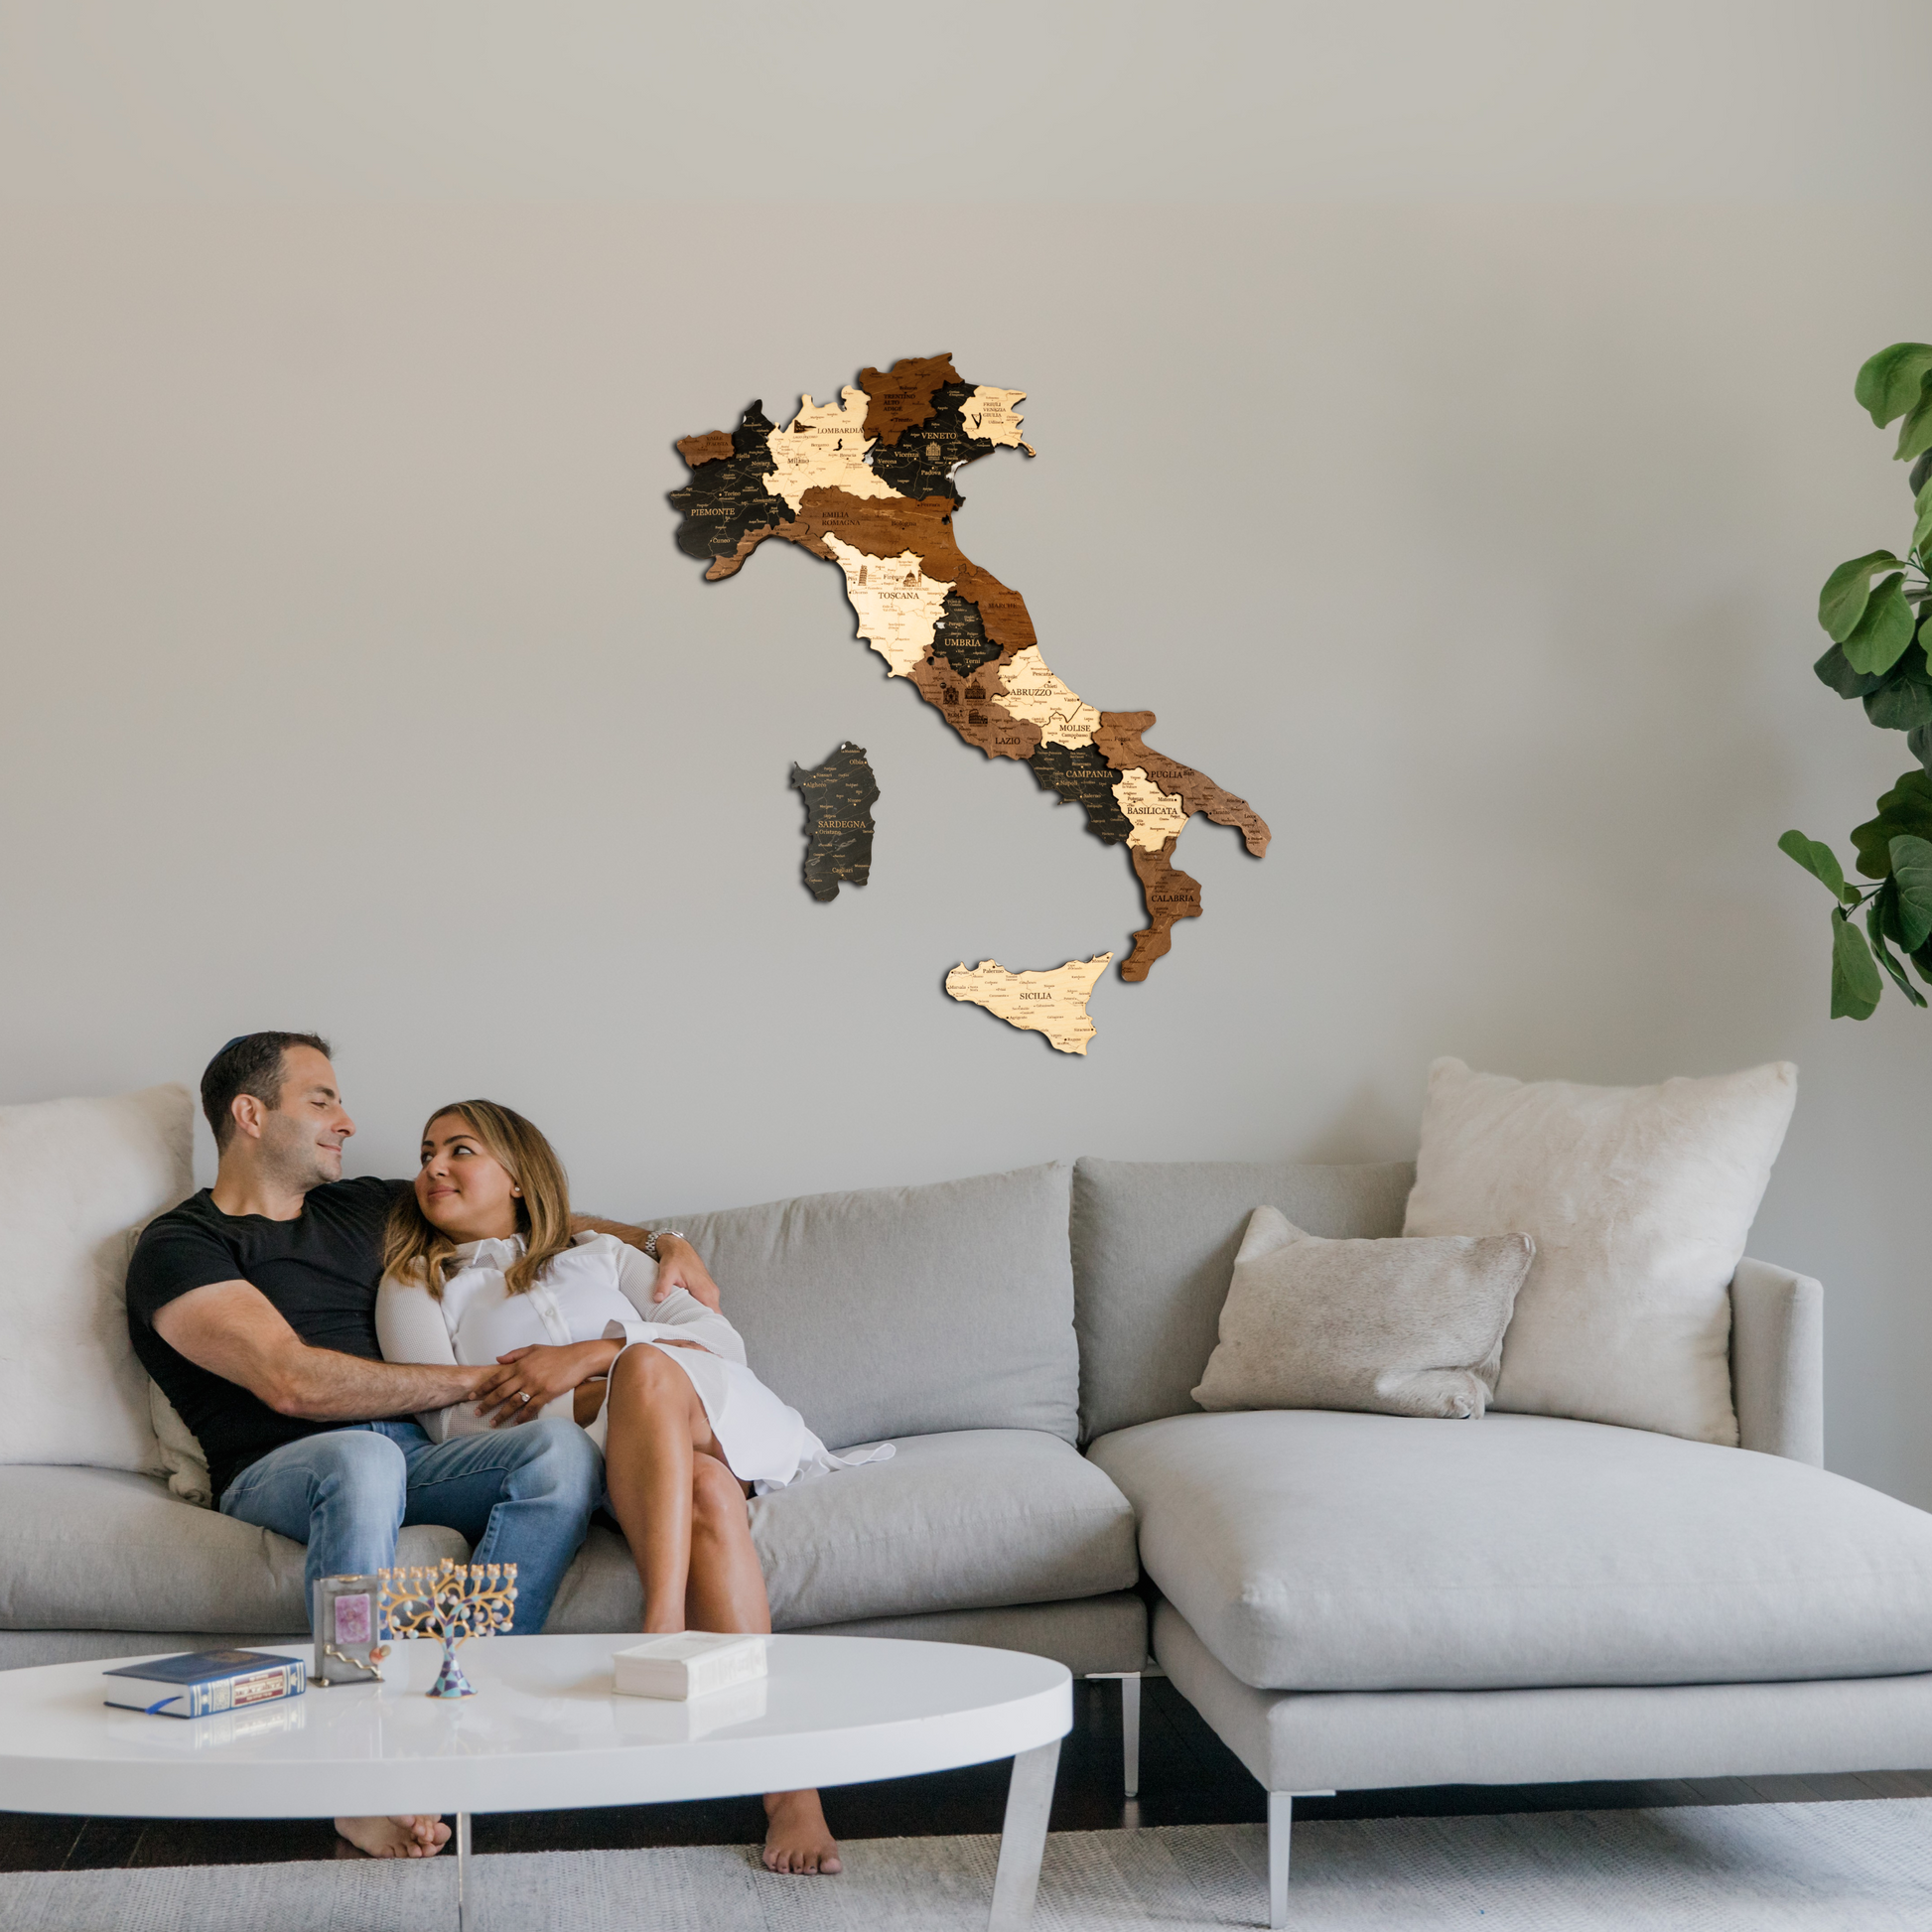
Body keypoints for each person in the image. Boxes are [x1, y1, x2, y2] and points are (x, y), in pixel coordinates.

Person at [125, 1033, 722, 1862]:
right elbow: (292, 1383)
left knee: (561, 1455)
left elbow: (526, 1208)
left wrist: (663, 1242)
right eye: (322, 1100)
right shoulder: (180, 1246)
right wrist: (481, 1380)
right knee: (362, 1457)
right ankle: (357, 1773)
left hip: (412, 1458)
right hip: (282, 1467)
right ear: (251, 1115)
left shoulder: (364, 1207)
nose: (348, 1121)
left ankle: (464, 1718)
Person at [375, 1099, 889, 1876]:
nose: (433, 1168)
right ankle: (792, 1791)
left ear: (517, 1176)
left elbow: (718, 1341)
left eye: (459, 1150)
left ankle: (661, 1631)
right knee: (710, 1495)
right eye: (425, 1154)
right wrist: (583, 1398)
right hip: (604, 1457)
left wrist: (585, 1357)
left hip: (703, 1407)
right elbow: (446, 1422)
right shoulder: (418, 1282)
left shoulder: (599, 1255)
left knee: (645, 1368)